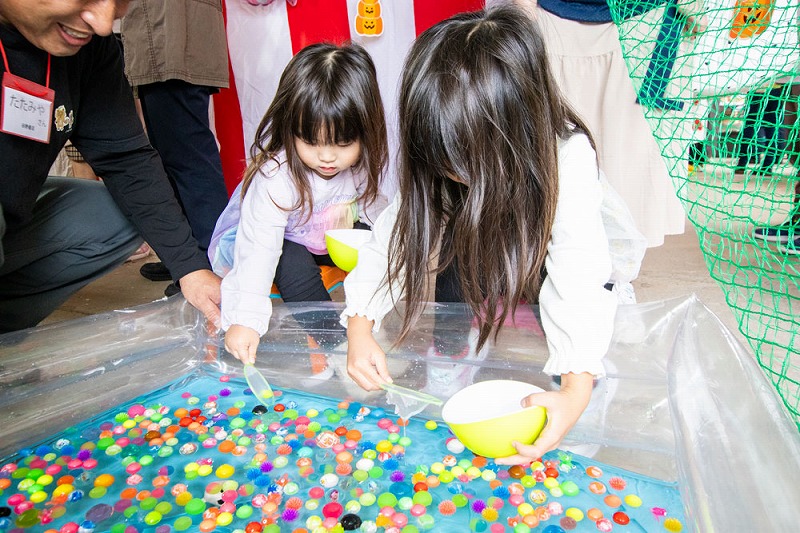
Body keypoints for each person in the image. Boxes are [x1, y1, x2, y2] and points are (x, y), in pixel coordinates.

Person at [342, 4, 630, 465]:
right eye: (439, 155)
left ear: (516, 131)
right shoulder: (445, 171)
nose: (449, 170)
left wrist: (576, 389)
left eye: (461, 158)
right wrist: (360, 324)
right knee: (455, 270)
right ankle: (452, 359)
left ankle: (578, 394)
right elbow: (393, 238)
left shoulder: (566, 157)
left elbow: (578, 275)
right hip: (478, 242)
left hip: (540, 251)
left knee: (577, 341)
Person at [0, 0, 221, 333]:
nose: (104, 23)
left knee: (116, 214)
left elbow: (126, 158)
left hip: (12, 222)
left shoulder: (90, 48)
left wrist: (191, 269)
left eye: (119, 1)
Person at [219, 42, 388, 364]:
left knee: (376, 237)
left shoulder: (360, 166)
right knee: (291, 260)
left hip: (324, 239)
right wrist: (245, 320)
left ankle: (363, 330)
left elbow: (379, 214)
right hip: (275, 243)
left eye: (343, 143)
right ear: (290, 127)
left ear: (366, 132)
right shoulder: (276, 177)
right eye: (310, 141)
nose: (327, 156)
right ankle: (335, 347)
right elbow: (258, 252)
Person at [120, 0, 231, 295]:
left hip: (170, 35)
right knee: (172, 156)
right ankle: (188, 258)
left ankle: (211, 264)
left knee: (189, 159)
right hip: (165, 36)